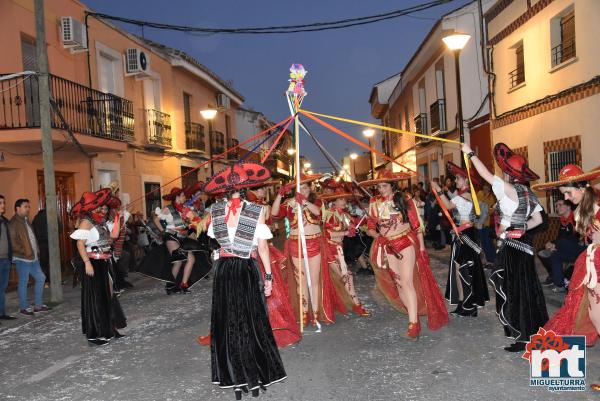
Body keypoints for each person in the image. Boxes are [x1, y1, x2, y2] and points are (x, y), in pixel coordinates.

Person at [203, 163, 286, 399]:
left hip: (224, 271)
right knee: (251, 321)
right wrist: (268, 276)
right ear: (247, 186)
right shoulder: (256, 211)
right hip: (246, 269)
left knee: (227, 323)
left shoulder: (215, 211)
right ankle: (254, 376)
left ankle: (235, 377)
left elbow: (216, 244)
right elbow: (262, 248)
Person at [463, 142, 548, 352]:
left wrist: (471, 154)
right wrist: (521, 228)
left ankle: (522, 336)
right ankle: (532, 333)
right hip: (525, 247)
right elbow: (538, 220)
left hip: (512, 248)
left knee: (514, 290)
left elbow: (486, 175)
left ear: (509, 174)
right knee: (528, 289)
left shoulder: (507, 189)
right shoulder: (529, 194)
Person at [360, 169, 449, 339]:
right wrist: (379, 237)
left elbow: (416, 226)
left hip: (405, 242)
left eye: (384, 185)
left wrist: (422, 249)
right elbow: (370, 228)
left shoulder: (404, 199)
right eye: (378, 186)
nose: (381, 189)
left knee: (407, 281)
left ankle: (413, 322)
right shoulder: (374, 203)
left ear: (392, 185)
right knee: (399, 282)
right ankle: (412, 315)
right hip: (388, 245)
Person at [271, 174, 343, 327]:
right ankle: (304, 312)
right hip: (295, 244)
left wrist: (303, 201)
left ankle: (316, 313)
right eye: (299, 188)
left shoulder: (317, 201)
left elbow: (319, 213)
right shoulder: (289, 203)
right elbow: (275, 213)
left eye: (305, 187)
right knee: (301, 281)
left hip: (314, 243)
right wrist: (279, 194)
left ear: (310, 188)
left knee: (315, 280)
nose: (302, 190)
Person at [431, 162, 489, 317]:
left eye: (458, 178)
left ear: (466, 181)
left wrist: (438, 190)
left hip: (465, 235)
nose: (455, 181)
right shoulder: (464, 195)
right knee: (458, 270)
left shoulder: (464, 196)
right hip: (462, 234)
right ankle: (464, 303)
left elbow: (449, 206)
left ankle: (469, 304)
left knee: (464, 270)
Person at [70, 189, 127, 346]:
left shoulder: (99, 221)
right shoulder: (86, 222)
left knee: (108, 297)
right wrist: (87, 263)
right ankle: (95, 334)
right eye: (100, 206)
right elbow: (79, 243)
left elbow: (113, 237)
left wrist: (117, 219)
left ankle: (110, 328)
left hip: (105, 262)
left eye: (103, 206)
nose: (103, 209)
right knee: (96, 299)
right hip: (93, 263)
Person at [320, 187, 371, 317]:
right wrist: (346, 232)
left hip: (338, 249)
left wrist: (363, 223)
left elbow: (358, 225)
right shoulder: (331, 215)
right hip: (330, 250)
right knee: (347, 275)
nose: (343, 201)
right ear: (334, 201)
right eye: (340, 199)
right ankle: (357, 305)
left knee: (341, 278)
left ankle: (343, 304)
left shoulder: (344, 214)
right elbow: (329, 234)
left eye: (344, 199)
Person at [9, 199, 50, 316]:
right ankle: (23, 307)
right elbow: (13, 243)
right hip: (23, 258)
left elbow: (31, 237)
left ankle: (38, 305)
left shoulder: (25, 221)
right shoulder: (14, 222)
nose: (28, 209)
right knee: (23, 281)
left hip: (32, 257)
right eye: (25, 206)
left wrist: (35, 250)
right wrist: (25, 252)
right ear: (17, 208)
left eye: (28, 207)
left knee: (41, 277)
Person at [153, 188, 196, 294]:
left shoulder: (184, 209)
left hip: (182, 237)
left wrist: (193, 218)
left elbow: (194, 219)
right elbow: (156, 220)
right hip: (171, 236)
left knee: (191, 259)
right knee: (179, 259)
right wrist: (163, 231)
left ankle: (184, 284)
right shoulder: (168, 209)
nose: (185, 198)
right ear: (177, 197)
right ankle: (170, 285)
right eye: (183, 196)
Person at [536, 199, 583, 291]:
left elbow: (576, 238)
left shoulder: (576, 218)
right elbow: (559, 238)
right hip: (566, 248)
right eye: (556, 205)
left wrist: (554, 244)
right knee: (546, 252)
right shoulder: (563, 221)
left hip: (580, 248)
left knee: (560, 243)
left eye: (560, 205)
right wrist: (551, 244)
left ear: (568, 206)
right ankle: (558, 282)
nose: (557, 207)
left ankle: (559, 275)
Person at [0, 195, 16, 322]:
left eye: (3, 203)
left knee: (2, 288)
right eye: (0, 203)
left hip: (6, 259)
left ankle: (1, 313)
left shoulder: (5, 220)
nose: (3, 205)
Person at [476, 183, 497, 267]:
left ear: (489, 187)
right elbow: (476, 205)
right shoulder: (479, 193)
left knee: (488, 243)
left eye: (487, 186)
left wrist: (484, 205)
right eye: (484, 186)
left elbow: (490, 210)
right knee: (483, 243)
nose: (485, 187)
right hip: (479, 222)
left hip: (488, 223)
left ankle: (492, 261)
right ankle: (489, 260)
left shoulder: (491, 196)